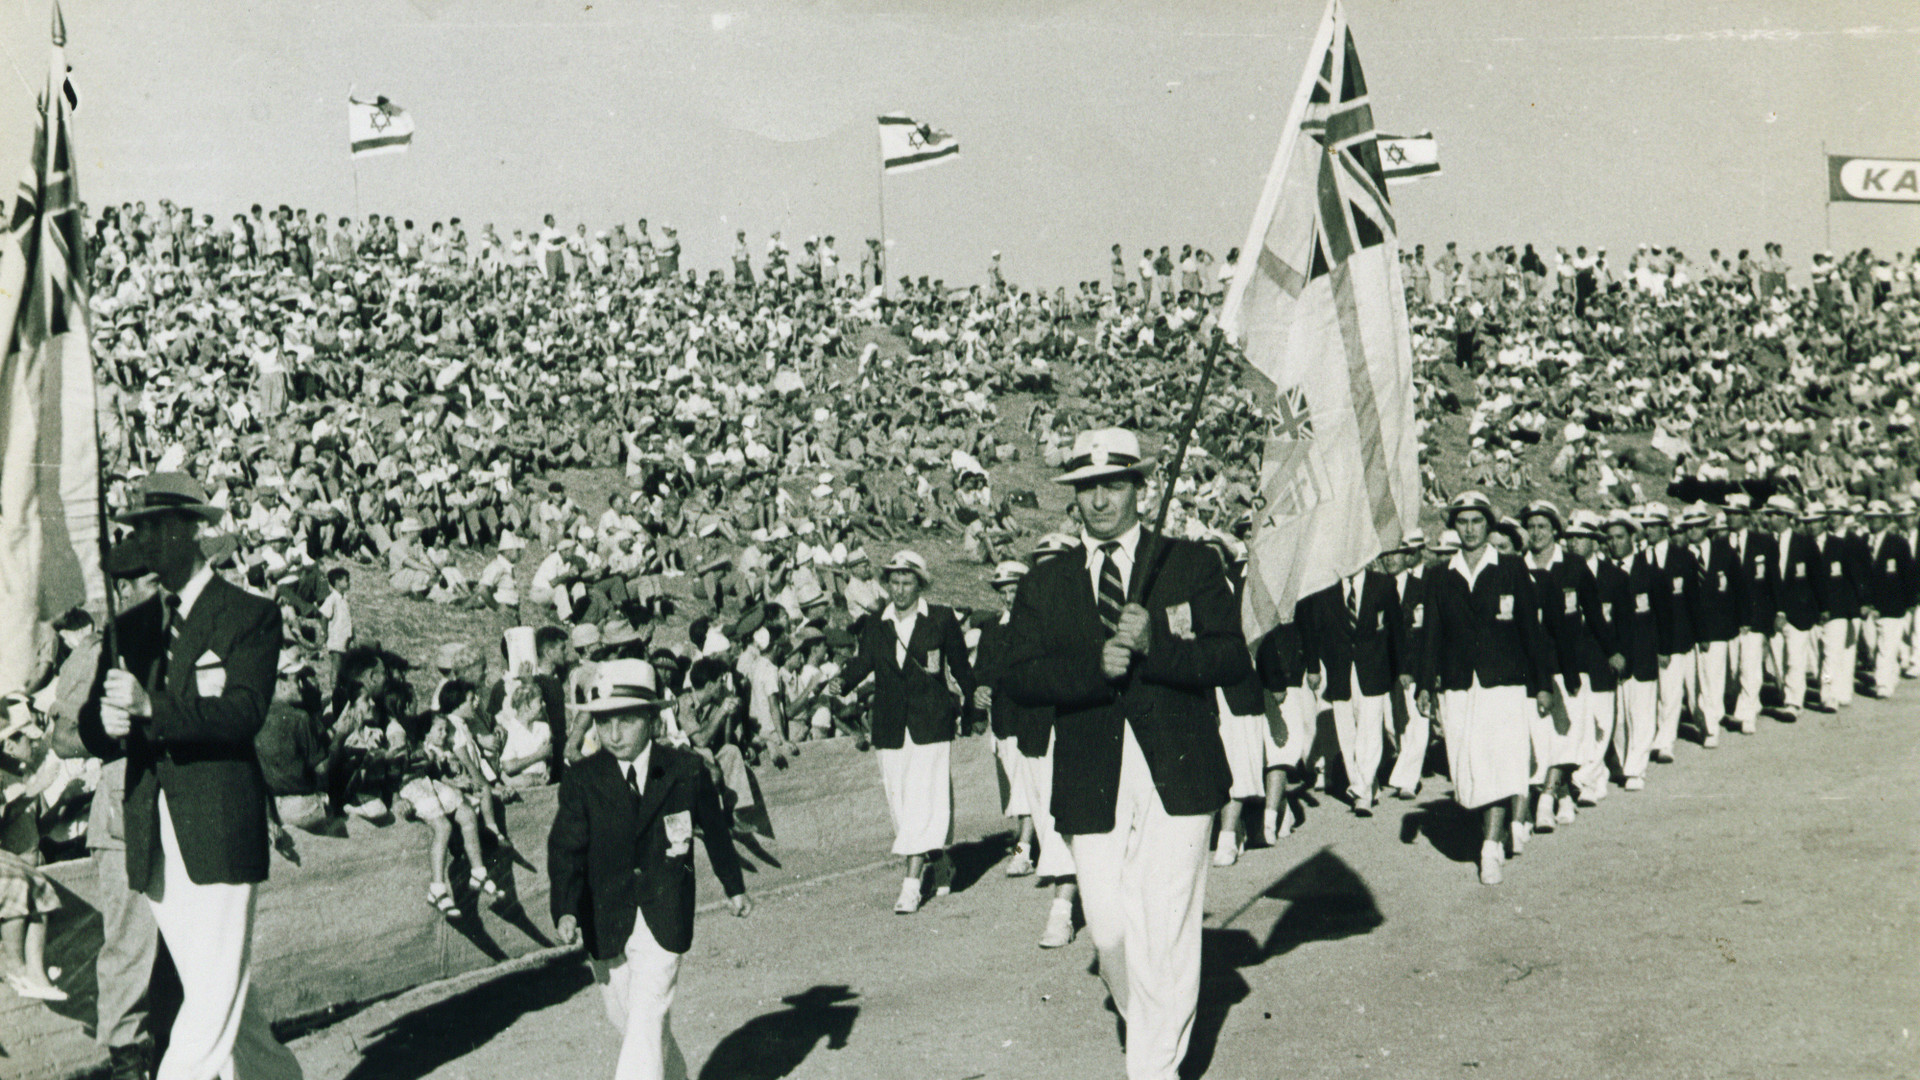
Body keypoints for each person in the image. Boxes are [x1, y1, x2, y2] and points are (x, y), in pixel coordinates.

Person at [1002, 427, 1249, 1080]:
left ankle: (1152, 1072)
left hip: (1179, 767)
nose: (1101, 501)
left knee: (1163, 922)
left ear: (1140, 489)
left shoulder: (1188, 563)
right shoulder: (1047, 580)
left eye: (1114, 485)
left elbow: (1228, 654)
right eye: (1087, 489)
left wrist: (1155, 651)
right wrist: (1095, 665)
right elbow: (1018, 675)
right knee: (1111, 929)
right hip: (1091, 775)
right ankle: (1154, 1037)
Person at [80, 472, 304, 1080]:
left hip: (219, 827)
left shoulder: (249, 615)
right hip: (151, 834)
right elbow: (93, 733)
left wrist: (152, 708)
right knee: (222, 990)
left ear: (188, 531)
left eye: (151, 528)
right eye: (135, 529)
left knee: (208, 1004)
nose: (141, 540)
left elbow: (242, 713)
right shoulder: (129, 628)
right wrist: (105, 719)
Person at [548, 658, 752, 1080]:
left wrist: (734, 887)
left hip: (665, 906)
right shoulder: (583, 779)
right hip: (604, 913)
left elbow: (715, 831)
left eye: (625, 721)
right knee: (632, 1020)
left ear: (651, 716)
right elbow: (566, 848)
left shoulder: (685, 770)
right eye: (603, 723)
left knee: (647, 1011)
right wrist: (566, 908)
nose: (614, 734)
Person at [1415, 491, 1556, 886]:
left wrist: (1543, 685)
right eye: (1463, 522)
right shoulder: (1440, 576)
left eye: (1477, 521)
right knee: (1468, 769)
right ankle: (1493, 829)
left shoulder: (1510, 568)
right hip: (1459, 686)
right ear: (1454, 526)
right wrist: (1425, 685)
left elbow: (1532, 631)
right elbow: (1431, 636)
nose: (1470, 529)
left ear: (1489, 525)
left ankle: (1491, 847)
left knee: (1500, 761)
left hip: (1504, 684)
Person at [833, 550, 975, 914]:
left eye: (907, 582)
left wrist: (973, 709)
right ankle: (940, 861)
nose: (899, 589)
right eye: (894, 582)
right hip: (890, 725)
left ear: (920, 584)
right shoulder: (876, 625)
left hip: (931, 722)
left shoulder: (941, 619)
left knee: (922, 799)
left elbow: (960, 668)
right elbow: (863, 663)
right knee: (900, 803)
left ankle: (911, 885)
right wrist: (842, 682)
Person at [974, 558, 1077, 947]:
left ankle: (1024, 852)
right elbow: (984, 672)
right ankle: (1027, 850)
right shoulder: (994, 632)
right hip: (1010, 722)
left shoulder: (1049, 623)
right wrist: (979, 689)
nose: (1010, 594)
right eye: (1004, 589)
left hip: (1041, 721)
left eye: (1016, 586)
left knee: (1038, 799)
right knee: (1021, 797)